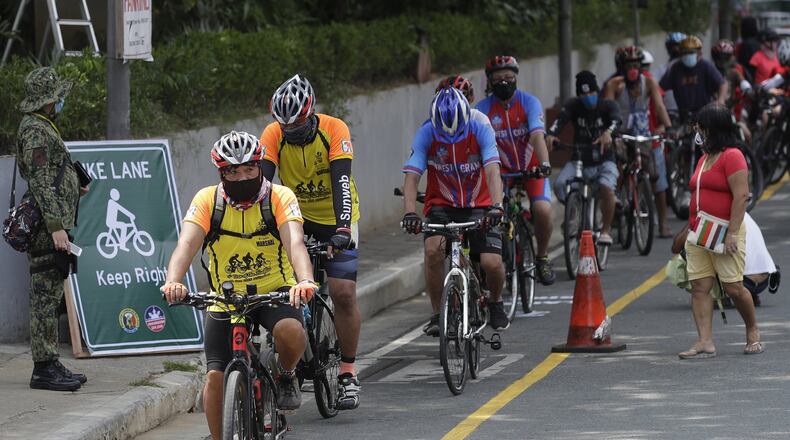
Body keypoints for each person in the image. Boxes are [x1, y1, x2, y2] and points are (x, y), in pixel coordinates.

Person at [161, 131, 316, 440]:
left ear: (260, 167)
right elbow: (186, 244)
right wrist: (173, 280)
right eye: (233, 170)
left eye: (249, 169)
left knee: (291, 331)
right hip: (226, 298)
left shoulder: (280, 197)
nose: (242, 176)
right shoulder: (208, 200)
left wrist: (305, 280)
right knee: (215, 376)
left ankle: (285, 374)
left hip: (275, 290)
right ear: (222, 172)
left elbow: (295, 242)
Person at [260, 74, 362, 410]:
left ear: (312, 111)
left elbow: (341, 183)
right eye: (285, 125)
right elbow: (263, 188)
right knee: (290, 289)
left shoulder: (334, 129)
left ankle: (347, 372)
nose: (291, 130)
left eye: (299, 123)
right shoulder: (273, 135)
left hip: (336, 216)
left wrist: (343, 229)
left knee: (343, 292)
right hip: (296, 219)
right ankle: (291, 363)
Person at [401, 87, 508, 332]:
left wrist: (496, 206)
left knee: (492, 263)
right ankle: (439, 314)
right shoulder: (426, 132)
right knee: (432, 253)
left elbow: (492, 169)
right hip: (443, 205)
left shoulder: (481, 126)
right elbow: (411, 176)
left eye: (457, 133)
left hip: (480, 204)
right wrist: (409, 213)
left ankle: (495, 302)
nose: (451, 139)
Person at [16, 67, 88, 392]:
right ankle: (43, 368)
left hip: (54, 222)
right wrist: (56, 226)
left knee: (52, 289)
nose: (61, 100)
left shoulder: (43, 126)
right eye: (57, 95)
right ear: (49, 99)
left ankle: (49, 363)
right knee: (44, 295)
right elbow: (41, 180)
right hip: (48, 226)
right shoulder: (34, 131)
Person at [679, 103, 762, 359]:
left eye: (700, 127)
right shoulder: (705, 157)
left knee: (734, 287)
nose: (697, 131)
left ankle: (752, 330)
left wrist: (733, 234)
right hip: (700, 233)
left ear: (712, 129)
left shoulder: (732, 156)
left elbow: (741, 196)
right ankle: (705, 341)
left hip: (725, 231)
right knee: (700, 287)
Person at [476, 55, 556, 285]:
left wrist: (545, 164)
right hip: (500, 173)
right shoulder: (482, 109)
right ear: (489, 82)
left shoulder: (529, 102)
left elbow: (537, 136)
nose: (504, 82)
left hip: (531, 170)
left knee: (542, 210)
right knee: (491, 215)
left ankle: (541, 256)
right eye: (498, 78)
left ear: (516, 78)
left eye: (509, 77)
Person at [603, 46, 673, 237]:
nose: (632, 69)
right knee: (617, 165)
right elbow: (607, 108)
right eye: (628, 65)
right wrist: (609, 131)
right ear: (622, 67)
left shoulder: (649, 83)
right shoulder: (614, 85)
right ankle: (616, 202)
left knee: (656, 176)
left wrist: (667, 126)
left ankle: (663, 223)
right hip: (622, 133)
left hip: (643, 134)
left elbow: (659, 106)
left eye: (636, 65)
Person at [547, 71, 621, 245]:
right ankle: (573, 212)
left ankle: (605, 231)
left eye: (592, 93)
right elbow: (559, 121)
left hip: (604, 159)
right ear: (579, 95)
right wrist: (551, 134)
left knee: (607, 189)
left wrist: (608, 133)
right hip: (579, 159)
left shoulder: (607, 106)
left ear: (597, 92)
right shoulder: (573, 106)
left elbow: (617, 121)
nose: (588, 97)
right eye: (584, 94)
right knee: (559, 185)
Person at [659, 36, 728, 120]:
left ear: (699, 54)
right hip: (684, 116)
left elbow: (722, 84)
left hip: (705, 114)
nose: (688, 55)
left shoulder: (706, 66)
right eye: (685, 53)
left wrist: (720, 101)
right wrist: (659, 105)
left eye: (691, 52)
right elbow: (660, 89)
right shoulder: (676, 68)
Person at [711, 39, 754, 142]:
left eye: (725, 59)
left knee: (746, 135)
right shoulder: (710, 72)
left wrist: (747, 89)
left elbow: (743, 82)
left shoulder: (734, 73)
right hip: (711, 114)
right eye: (719, 59)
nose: (722, 62)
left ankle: (747, 157)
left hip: (731, 112)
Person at [654, 32, 686, 119]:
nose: (676, 49)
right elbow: (655, 88)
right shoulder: (661, 70)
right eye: (673, 46)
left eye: (679, 46)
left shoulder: (693, 68)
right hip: (669, 113)